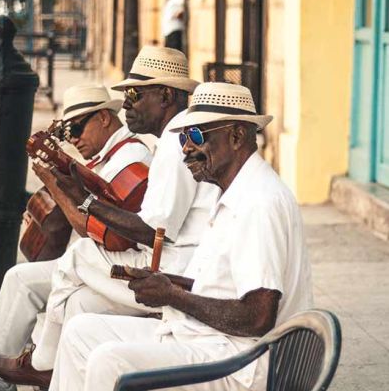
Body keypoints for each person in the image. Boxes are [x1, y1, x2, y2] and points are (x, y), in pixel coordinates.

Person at [0, 46, 220, 390]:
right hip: (174, 260)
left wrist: (86, 200)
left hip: (175, 272)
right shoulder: (175, 137)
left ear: (166, 95)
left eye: (135, 95)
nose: (127, 105)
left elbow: (152, 229)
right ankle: (42, 373)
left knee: (79, 255)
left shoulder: (175, 141)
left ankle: (42, 362)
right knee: (78, 302)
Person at [49, 82, 313, 391]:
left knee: (109, 361)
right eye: (185, 137)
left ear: (237, 136)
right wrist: (167, 285)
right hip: (211, 340)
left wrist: (173, 296)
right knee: (81, 331)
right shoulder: (232, 191)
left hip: (243, 362)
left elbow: (258, 316)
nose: (186, 148)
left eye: (197, 136)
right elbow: (223, 286)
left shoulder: (258, 203)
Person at [0, 84, 153, 391]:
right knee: (21, 278)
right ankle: (3, 378)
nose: (73, 139)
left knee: (33, 283)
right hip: (102, 260)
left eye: (77, 128)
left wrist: (55, 186)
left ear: (105, 118)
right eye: (68, 132)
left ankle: (27, 372)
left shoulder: (130, 157)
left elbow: (97, 229)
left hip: (121, 264)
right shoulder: (103, 157)